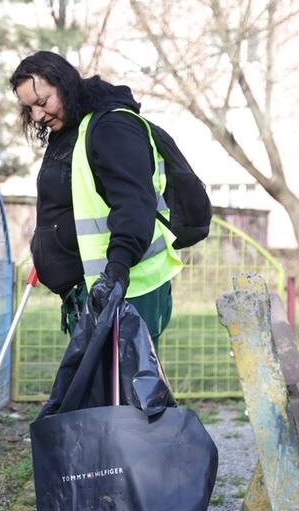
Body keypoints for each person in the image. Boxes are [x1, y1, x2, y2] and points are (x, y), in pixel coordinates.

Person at [10, 50, 182, 350]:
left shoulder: (111, 127)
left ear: (64, 85)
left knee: (126, 393)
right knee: (99, 394)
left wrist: (117, 269)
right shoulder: (69, 130)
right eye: (29, 108)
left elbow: (134, 204)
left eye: (42, 102)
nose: (37, 115)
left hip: (125, 290)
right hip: (92, 292)